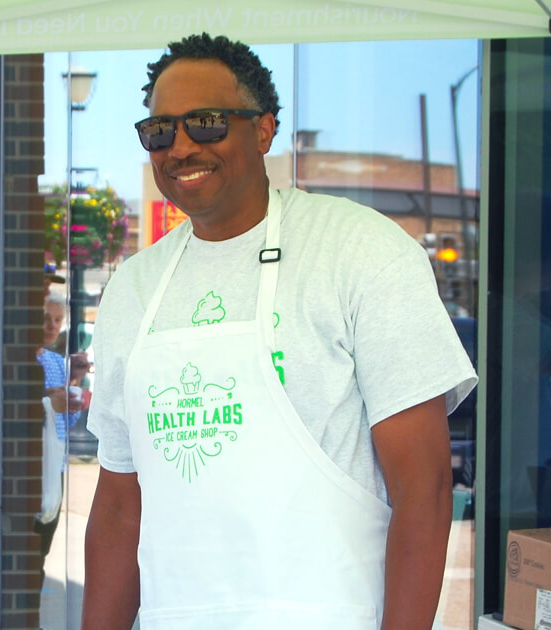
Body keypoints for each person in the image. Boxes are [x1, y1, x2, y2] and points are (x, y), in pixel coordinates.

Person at [81, 34, 477, 630]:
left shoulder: (359, 251)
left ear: (263, 130)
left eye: (207, 123)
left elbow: (424, 489)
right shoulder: (133, 289)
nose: (181, 146)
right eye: (160, 131)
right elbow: (118, 506)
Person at [35, 293, 82, 585]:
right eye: (45, 319)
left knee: (43, 545)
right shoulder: (21, 358)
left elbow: (67, 421)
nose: (52, 326)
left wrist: (73, 395)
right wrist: (49, 403)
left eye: (57, 320)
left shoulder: (57, 362)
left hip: (57, 466)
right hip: (32, 463)